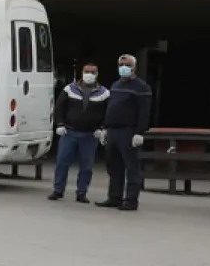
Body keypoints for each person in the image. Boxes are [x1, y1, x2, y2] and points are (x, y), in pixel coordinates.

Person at [96, 54, 152, 211]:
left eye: (126, 64)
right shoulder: (116, 85)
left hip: (129, 131)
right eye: (121, 64)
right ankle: (114, 197)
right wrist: (105, 128)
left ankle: (131, 200)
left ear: (134, 67)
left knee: (132, 167)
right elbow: (110, 108)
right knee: (114, 167)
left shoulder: (142, 87)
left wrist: (140, 132)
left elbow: (144, 112)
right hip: (113, 130)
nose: (123, 67)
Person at [49, 64, 108, 203]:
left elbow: (108, 112)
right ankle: (58, 190)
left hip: (90, 135)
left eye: (92, 72)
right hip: (69, 131)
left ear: (97, 74)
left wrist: (102, 128)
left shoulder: (104, 93)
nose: (89, 74)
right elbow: (59, 107)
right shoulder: (70, 89)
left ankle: (81, 193)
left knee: (86, 166)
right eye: (86, 71)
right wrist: (59, 124)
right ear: (82, 72)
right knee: (62, 162)